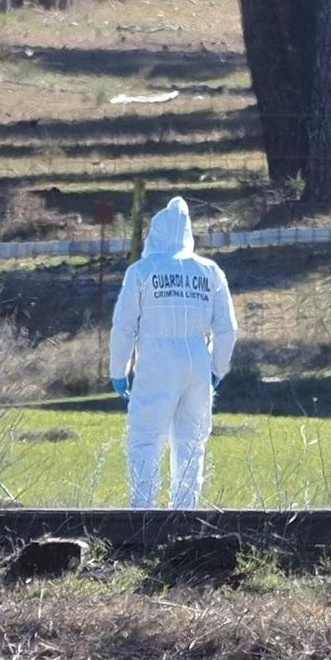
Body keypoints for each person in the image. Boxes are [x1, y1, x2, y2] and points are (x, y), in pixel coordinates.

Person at [109, 197, 238, 509]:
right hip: (197, 357)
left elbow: (124, 326)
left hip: (156, 359)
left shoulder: (142, 271)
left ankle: (143, 512)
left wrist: (118, 370)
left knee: (145, 439)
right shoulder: (209, 271)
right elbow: (227, 329)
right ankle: (185, 514)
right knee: (191, 443)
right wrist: (217, 369)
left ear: (156, 232)